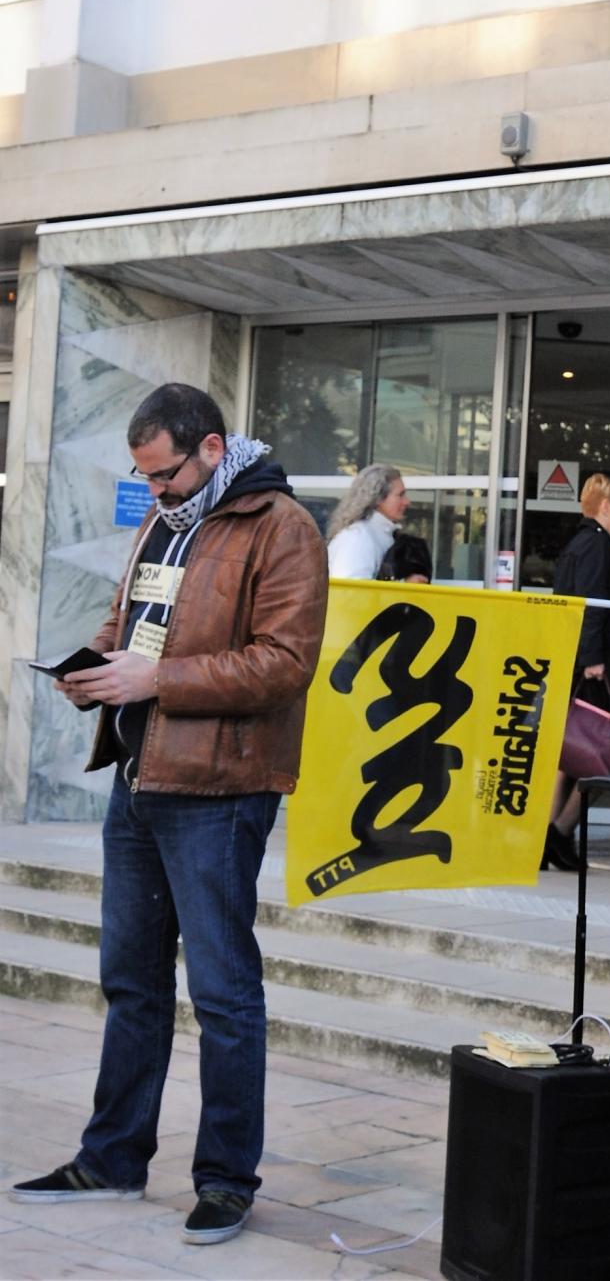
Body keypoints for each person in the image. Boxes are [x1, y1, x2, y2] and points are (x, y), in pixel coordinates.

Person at [9, 383, 328, 1245]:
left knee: (224, 995)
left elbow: (285, 664)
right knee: (131, 983)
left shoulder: (282, 527)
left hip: (221, 795)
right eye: (144, 478)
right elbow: (131, 625)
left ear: (214, 449)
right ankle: (112, 1156)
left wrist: (159, 681)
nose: (155, 492)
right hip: (139, 780)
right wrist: (96, 669)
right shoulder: (166, 522)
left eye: (166, 475)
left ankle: (226, 1179)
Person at [545, 473, 610, 870]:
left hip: (581, 656)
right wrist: (592, 660)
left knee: (576, 745)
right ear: (606, 507)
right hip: (592, 659)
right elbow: (588, 604)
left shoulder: (581, 542)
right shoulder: (597, 545)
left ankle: (550, 836)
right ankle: (559, 833)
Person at [325, 465, 430, 582]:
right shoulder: (357, 537)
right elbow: (352, 594)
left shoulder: (380, 534)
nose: (407, 501)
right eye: (400, 495)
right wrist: (405, 587)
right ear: (378, 498)